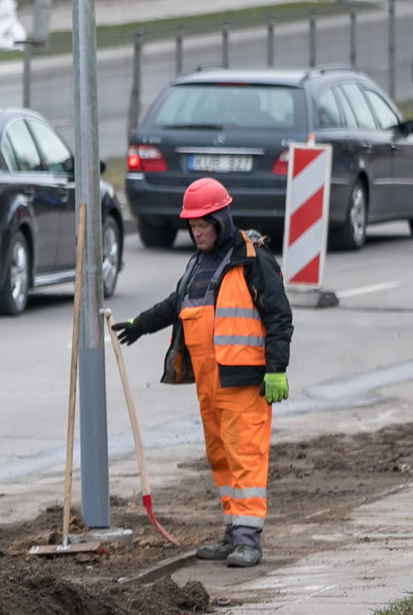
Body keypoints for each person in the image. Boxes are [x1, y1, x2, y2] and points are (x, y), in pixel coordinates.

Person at [111, 177, 292, 567]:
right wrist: (141, 324)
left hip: (244, 382)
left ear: (221, 221)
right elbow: (176, 304)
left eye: (203, 225)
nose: (197, 232)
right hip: (209, 384)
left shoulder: (252, 258)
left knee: (245, 456)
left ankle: (248, 539)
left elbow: (279, 316)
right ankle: (232, 533)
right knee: (220, 457)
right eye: (192, 226)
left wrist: (276, 369)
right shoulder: (197, 263)